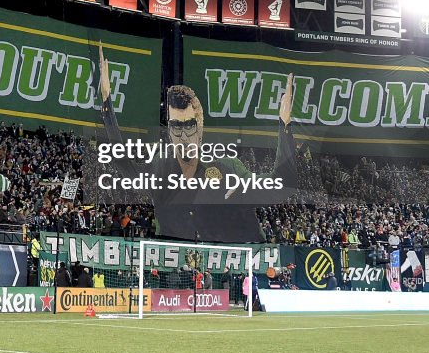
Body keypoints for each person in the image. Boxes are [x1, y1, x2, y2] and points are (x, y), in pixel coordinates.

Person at [97, 46, 297, 242]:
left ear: (200, 127)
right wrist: (107, 105)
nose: (183, 135)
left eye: (189, 125)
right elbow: (123, 162)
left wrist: (285, 125)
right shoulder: (159, 168)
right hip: (175, 267)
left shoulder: (227, 168)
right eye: (176, 125)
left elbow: (281, 184)